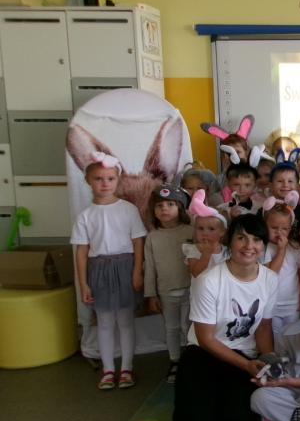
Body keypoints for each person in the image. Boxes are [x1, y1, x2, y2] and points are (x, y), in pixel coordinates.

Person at [172, 214, 278, 421]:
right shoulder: (208, 281)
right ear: (229, 242)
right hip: (203, 352)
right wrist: (247, 366)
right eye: (241, 238)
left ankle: (217, 398)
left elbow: (263, 326)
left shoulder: (270, 279)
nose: (249, 246)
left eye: (256, 240)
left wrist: (269, 361)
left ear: (264, 246)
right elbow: (206, 338)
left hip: (242, 353)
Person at [71, 153, 146, 390]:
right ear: (88, 181)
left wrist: (137, 272)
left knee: (125, 321)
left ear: (117, 180)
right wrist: (84, 283)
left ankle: (126, 368)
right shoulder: (85, 216)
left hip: (125, 268)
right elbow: (81, 252)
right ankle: (108, 370)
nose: (105, 183)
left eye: (110, 178)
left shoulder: (129, 210)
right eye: (98, 179)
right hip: (99, 270)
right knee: (103, 322)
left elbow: (138, 243)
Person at [143, 185, 194, 383]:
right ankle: (175, 360)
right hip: (166, 292)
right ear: (154, 211)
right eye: (160, 205)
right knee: (171, 327)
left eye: (170, 204)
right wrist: (151, 295)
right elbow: (150, 268)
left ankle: (191, 360)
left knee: (188, 327)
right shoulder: (152, 237)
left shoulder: (191, 231)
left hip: (190, 290)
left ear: (180, 207)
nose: (164, 209)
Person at [261, 192, 300, 336]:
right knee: (277, 339)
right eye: (274, 228)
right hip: (272, 305)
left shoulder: (295, 247)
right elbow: (271, 273)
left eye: (284, 229)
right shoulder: (264, 248)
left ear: (290, 228)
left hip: (292, 304)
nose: (279, 232)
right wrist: (281, 250)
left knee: (292, 337)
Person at [183, 190, 229, 278]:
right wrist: (206, 254)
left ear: (222, 231)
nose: (205, 233)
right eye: (200, 228)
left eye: (211, 229)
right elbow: (195, 273)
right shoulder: (193, 250)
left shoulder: (226, 251)